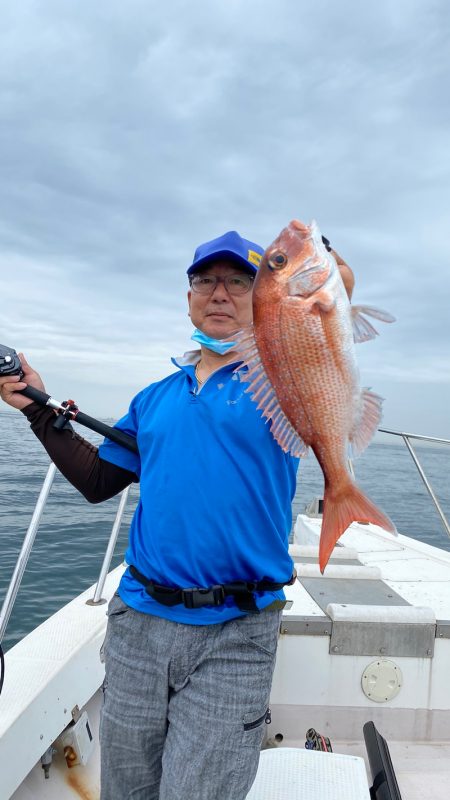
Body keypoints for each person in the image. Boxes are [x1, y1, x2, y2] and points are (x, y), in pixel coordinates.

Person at [0, 229, 354, 800]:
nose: (220, 292)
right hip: (138, 621)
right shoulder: (153, 398)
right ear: (188, 297)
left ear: (263, 294)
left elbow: (330, 310)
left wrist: (324, 265)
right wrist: (38, 411)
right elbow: (97, 482)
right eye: (205, 281)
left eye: (239, 280)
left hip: (237, 632)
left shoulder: (284, 383)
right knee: (127, 788)